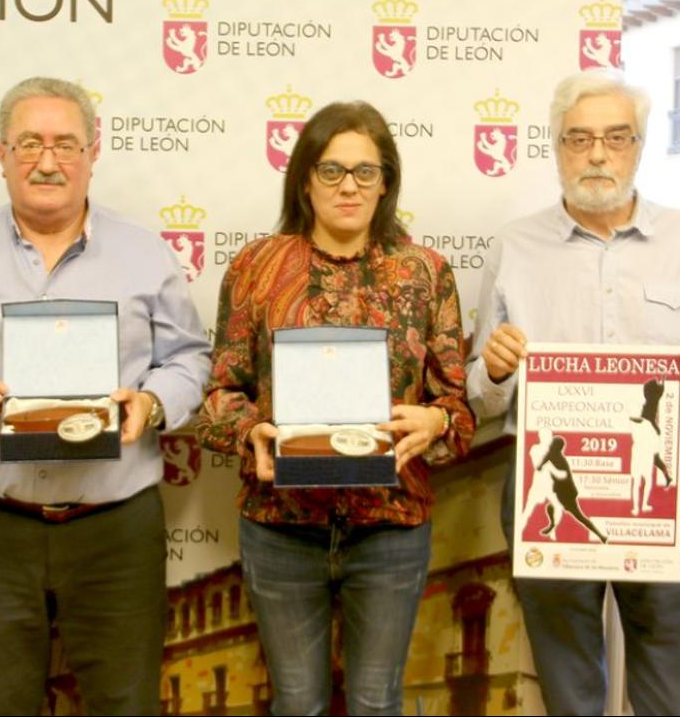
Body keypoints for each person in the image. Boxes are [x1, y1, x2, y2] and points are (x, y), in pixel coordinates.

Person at [0, 76, 210, 715]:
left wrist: (150, 404)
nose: (47, 160)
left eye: (66, 144)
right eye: (29, 143)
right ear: (2, 155)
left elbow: (189, 358)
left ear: (94, 152)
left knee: (127, 704)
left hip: (114, 528)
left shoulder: (146, 254)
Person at [467, 68, 680, 715]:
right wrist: (499, 370)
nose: (597, 153)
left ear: (639, 146)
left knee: (669, 673)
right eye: (579, 138)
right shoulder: (517, 247)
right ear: (557, 147)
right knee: (566, 675)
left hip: (661, 486)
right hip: (549, 485)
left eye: (616, 137)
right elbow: (483, 400)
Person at [196, 101, 475, 715]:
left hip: (390, 525)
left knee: (377, 703)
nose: (348, 185)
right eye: (331, 170)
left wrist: (436, 420)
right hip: (280, 523)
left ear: (386, 183)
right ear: (304, 179)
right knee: (297, 703)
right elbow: (217, 396)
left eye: (365, 172)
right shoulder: (255, 268)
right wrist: (251, 431)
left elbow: (457, 405)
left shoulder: (426, 273)